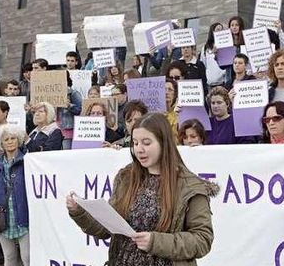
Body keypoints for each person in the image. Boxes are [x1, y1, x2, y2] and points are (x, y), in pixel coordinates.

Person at [67, 113, 216, 264]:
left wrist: (155, 241)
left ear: (164, 143)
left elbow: (202, 240)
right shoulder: (126, 177)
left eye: (146, 142)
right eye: (135, 143)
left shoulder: (189, 187)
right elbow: (107, 229)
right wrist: (79, 212)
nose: (139, 149)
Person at [0, 126, 30, 266]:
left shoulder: (28, 161)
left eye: (13, 138)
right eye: (6, 139)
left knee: (28, 257)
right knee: (9, 257)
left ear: (19, 140)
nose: (10, 142)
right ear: (1, 143)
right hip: (2, 218)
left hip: (23, 217)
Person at [201, 22, 228, 88]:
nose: (220, 32)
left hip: (223, 82)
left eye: (222, 30)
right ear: (212, 32)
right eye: (218, 29)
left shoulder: (226, 46)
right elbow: (203, 65)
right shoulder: (205, 48)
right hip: (211, 83)